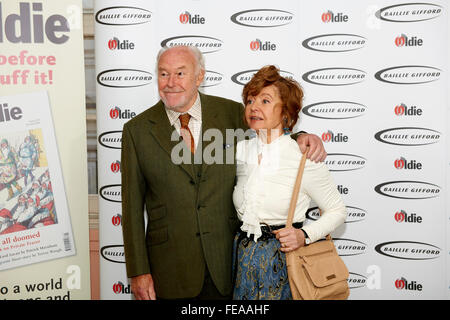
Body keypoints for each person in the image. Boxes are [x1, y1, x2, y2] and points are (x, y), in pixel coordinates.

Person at [121, 45, 327, 300]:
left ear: (199, 77)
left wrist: (301, 137)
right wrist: (138, 272)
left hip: (228, 265)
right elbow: (130, 209)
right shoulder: (136, 130)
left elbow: (271, 131)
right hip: (170, 270)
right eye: (164, 74)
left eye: (180, 73)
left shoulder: (231, 114)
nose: (170, 82)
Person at [232, 65, 347, 300]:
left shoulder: (302, 157)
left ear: (286, 113)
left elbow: (337, 210)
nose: (254, 107)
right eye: (250, 100)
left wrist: (304, 235)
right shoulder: (240, 151)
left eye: (265, 101)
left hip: (284, 261)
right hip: (242, 260)